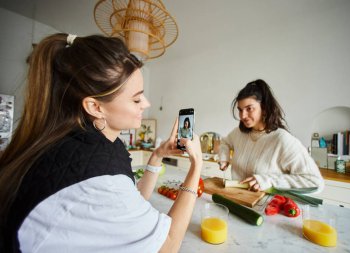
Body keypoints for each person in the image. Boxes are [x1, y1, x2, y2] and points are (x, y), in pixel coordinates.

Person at [0, 33, 203, 253]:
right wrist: (196, 166)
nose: (146, 103)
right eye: (136, 99)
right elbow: (168, 245)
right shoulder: (96, 174)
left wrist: (157, 156)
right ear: (95, 107)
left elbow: (130, 200)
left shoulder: (87, 142)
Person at [218, 79, 324, 192]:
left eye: (249, 109)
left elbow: (315, 182)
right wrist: (224, 157)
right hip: (237, 200)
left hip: (267, 207)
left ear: (264, 109)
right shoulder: (238, 133)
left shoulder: (283, 140)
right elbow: (225, 142)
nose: (243, 116)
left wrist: (267, 180)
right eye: (240, 110)